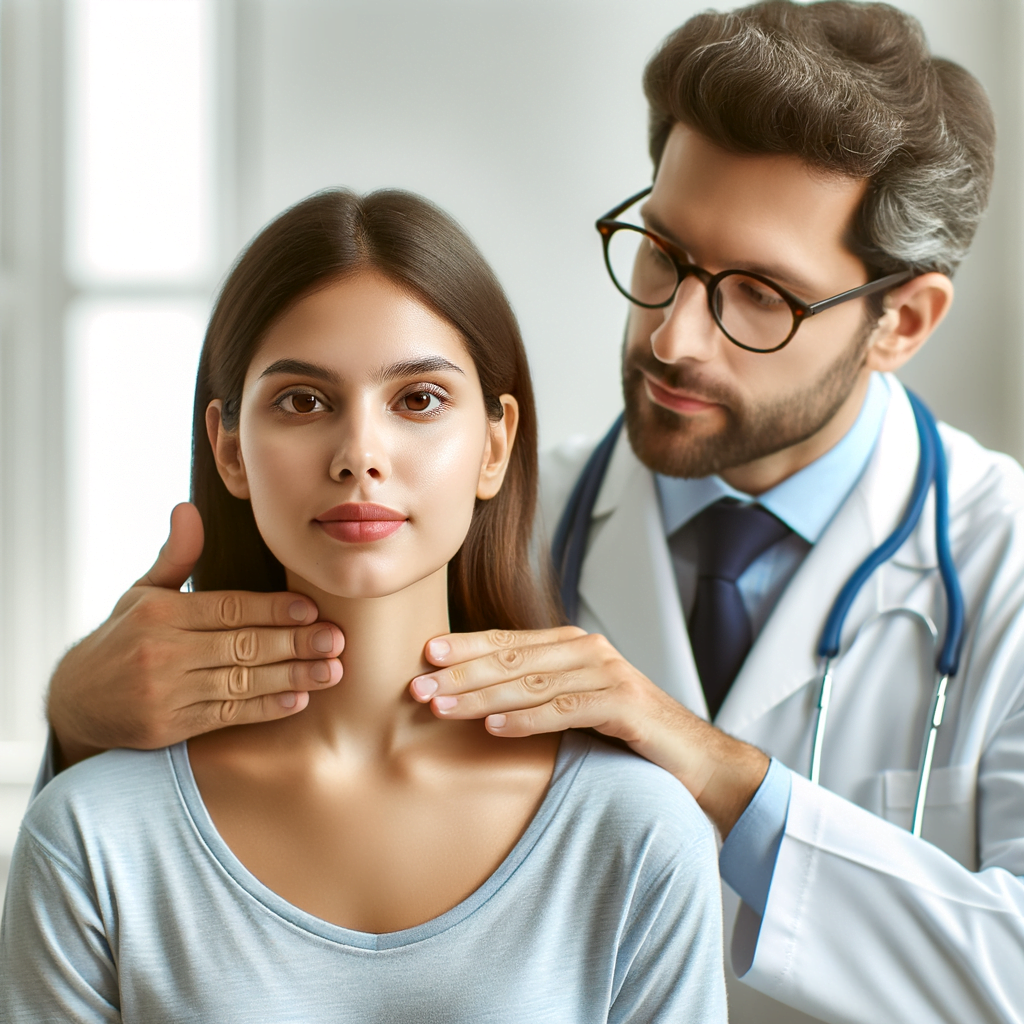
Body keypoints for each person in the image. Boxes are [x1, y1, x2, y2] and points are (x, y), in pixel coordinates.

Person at [32, 2, 1024, 1021]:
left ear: (900, 321)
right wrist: (76, 721)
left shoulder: (1002, 568)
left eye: (759, 294)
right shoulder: (459, 519)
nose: (674, 336)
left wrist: (714, 770)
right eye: (663, 256)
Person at [0, 189, 727, 1022]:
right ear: (229, 449)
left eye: (418, 400)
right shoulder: (92, 838)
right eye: (303, 401)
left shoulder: (634, 831)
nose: (359, 456)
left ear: (495, 444)